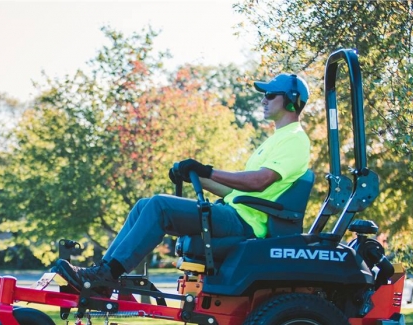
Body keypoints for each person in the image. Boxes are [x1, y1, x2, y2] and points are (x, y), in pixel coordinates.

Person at [54, 73, 311, 293]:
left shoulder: (295, 139)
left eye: (270, 95)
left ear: (291, 102)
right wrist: (196, 175)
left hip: (245, 223)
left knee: (160, 206)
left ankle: (106, 275)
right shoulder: (275, 140)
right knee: (146, 205)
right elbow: (234, 190)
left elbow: (259, 181)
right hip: (234, 212)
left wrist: (208, 170)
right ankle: (103, 272)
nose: (263, 99)